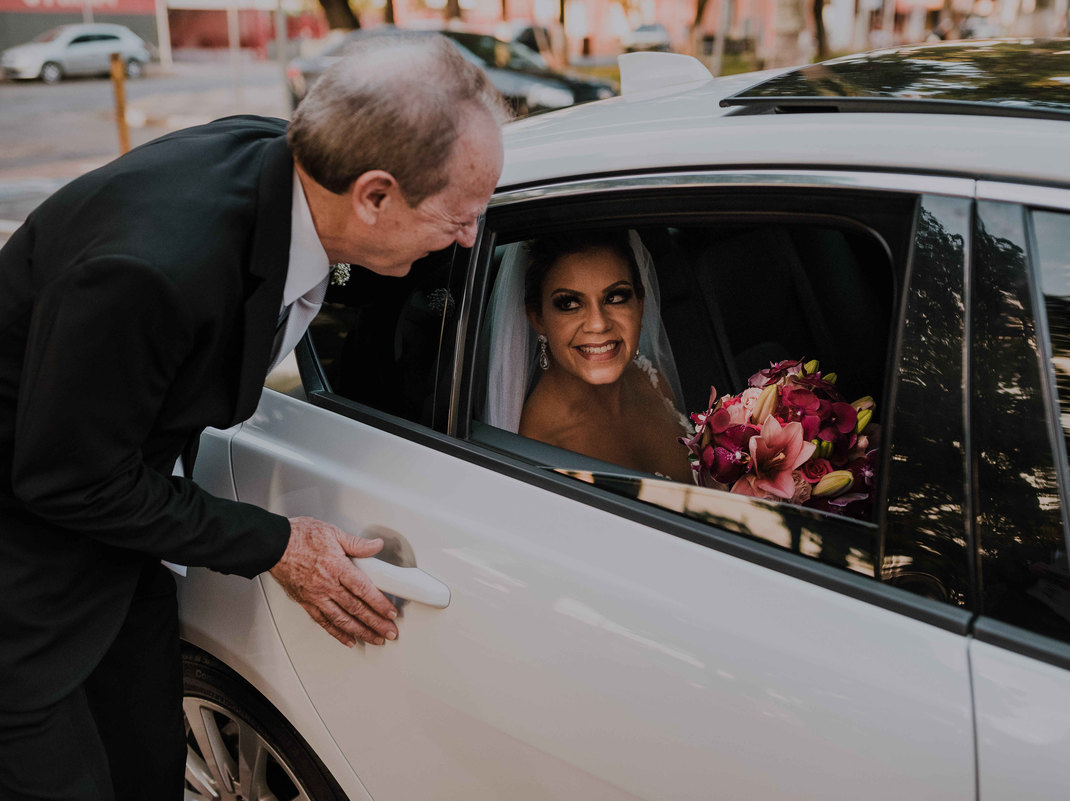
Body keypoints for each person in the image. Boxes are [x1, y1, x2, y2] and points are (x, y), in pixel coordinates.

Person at [0, 37, 507, 801]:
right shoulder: (151, 273)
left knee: (149, 769)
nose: (471, 237)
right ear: (373, 196)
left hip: (117, 550)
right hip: (22, 583)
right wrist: (278, 545)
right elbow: (67, 479)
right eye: (461, 216)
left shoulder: (284, 171)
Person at [509, 231, 691, 480]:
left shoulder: (652, 381)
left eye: (615, 298)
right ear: (538, 319)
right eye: (570, 304)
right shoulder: (539, 449)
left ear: (640, 303)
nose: (598, 324)